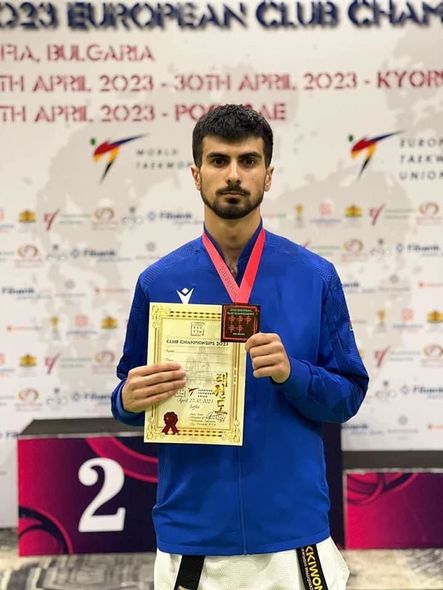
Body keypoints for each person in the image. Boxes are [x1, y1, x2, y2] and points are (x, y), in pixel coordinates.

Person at [111, 104, 369, 590]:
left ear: (268, 175)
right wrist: (127, 398)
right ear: (196, 174)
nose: (233, 174)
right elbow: (127, 396)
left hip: (293, 538)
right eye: (219, 160)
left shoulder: (315, 277)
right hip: (194, 537)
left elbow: (347, 397)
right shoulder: (158, 281)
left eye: (248, 161)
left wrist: (294, 373)